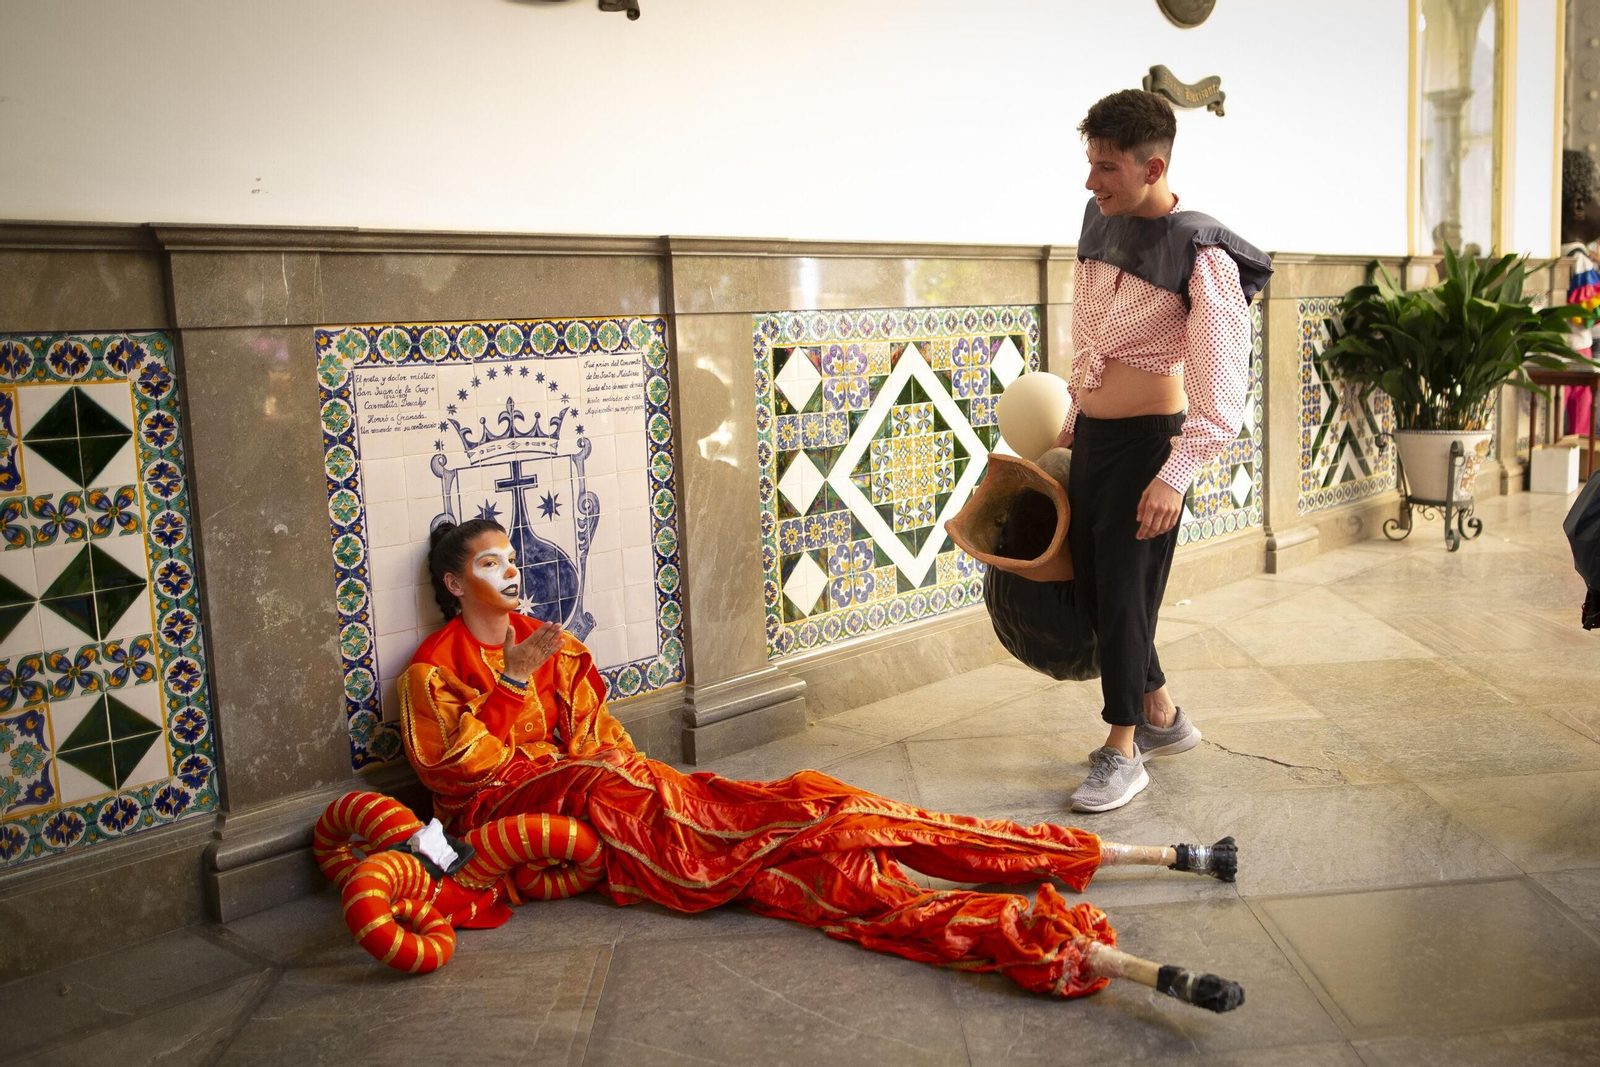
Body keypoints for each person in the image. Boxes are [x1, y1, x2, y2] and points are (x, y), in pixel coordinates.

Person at [398, 518, 1230, 999]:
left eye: (512, 557)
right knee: (828, 876)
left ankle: (1098, 853)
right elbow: (466, 777)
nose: (510, 571)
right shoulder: (432, 673)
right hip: (563, 819)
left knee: (823, 803)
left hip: (633, 798)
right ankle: (1050, 942)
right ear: (451, 582)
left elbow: (602, 742)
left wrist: (666, 790)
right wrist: (511, 682)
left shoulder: (556, 647)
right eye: (488, 562)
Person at [1051, 90, 1272, 813]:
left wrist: (1175, 474)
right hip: (1096, 438)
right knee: (1095, 589)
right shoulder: (1098, 220)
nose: (1092, 182)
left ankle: (1123, 748)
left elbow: (1221, 388)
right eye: (1089, 164)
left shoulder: (1203, 253)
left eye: (1106, 167)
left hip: (1151, 446)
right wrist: (1078, 412)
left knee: (1121, 594)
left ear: (1152, 166)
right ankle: (1163, 716)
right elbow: (1094, 333)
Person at [1561, 149, 1600, 437]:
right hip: (1579, 348)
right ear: (1579, 205)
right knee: (1581, 411)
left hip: (1560, 348)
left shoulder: (1562, 257)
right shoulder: (1581, 261)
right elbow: (1587, 316)